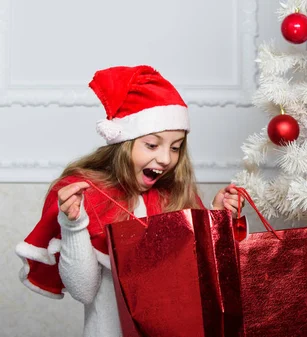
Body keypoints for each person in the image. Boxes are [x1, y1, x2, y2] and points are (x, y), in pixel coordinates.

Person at [15, 65, 245, 337]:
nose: (166, 159)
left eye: (175, 147)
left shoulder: (175, 197)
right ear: (124, 143)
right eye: (152, 145)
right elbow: (84, 291)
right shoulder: (89, 196)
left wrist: (215, 219)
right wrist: (74, 225)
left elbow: (202, 283)